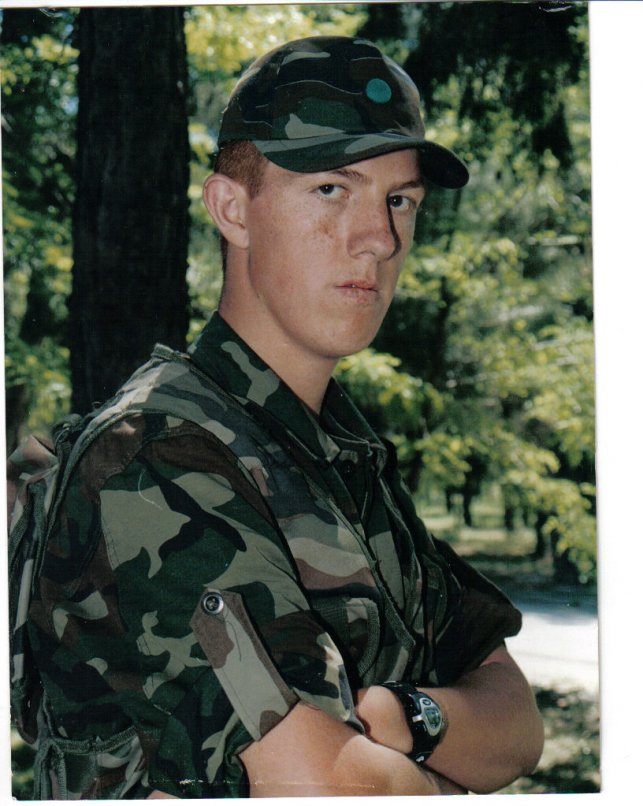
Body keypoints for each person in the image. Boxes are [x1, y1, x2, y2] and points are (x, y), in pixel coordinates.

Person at [23, 36, 544, 798]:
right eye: (332, 189)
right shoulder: (154, 454)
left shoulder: (341, 457)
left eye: (400, 200)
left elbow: (518, 722)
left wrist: (406, 719)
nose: (380, 238)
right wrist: (440, 770)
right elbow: (326, 789)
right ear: (232, 209)